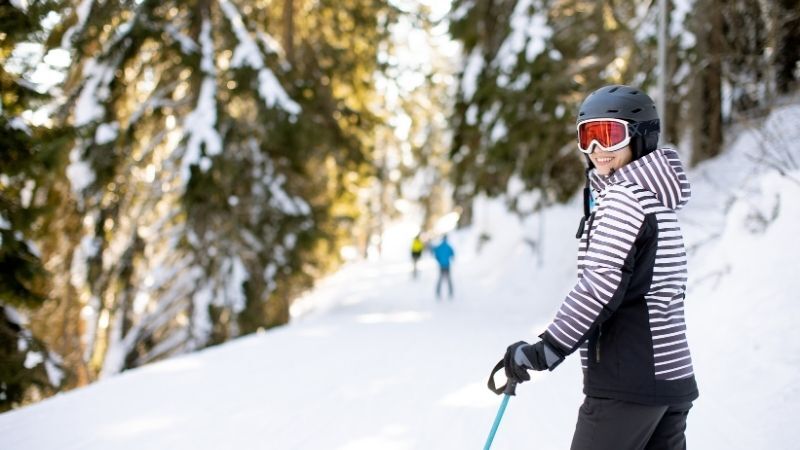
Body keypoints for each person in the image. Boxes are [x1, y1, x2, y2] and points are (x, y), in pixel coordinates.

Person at [497, 85, 698, 450]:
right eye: (587, 136)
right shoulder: (656, 200)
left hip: (629, 380)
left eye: (609, 135)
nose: (596, 149)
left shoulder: (624, 198)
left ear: (641, 136)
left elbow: (599, 286)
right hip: (670, 380)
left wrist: (547, 348)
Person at [432, 235, 454, 299]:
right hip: (447, 265)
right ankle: (451, 292)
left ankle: (438, 292)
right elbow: (452, 254)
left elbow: (435, 254)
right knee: (448, 279)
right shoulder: (448, 246)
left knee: (440, 279)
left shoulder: (439, 246)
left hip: (441, 265)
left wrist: (439, 260)